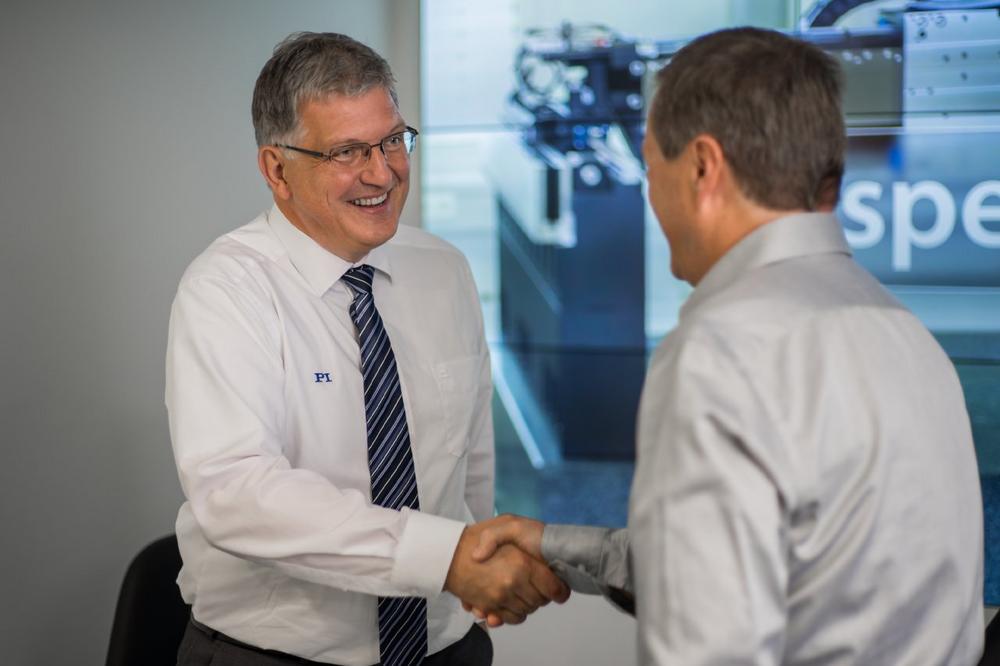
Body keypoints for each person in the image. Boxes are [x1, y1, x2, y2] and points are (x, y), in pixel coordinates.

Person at [470, 27, 985, 664]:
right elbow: (780, 559)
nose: (650, 194)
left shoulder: (721, 351)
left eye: (651, 166)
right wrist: (556, 546)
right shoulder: (907, 336)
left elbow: (708, 644)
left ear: (702, 167)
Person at [166, 32, 567, 666]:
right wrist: (443, 558)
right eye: (347, 152)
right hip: (275, 656)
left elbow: (471, 465)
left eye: (392, 141)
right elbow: (237, 494)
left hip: (444, 648)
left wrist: (483, 558)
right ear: (277, 170)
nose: (382, 173)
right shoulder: (227, 289)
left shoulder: (443, 269)